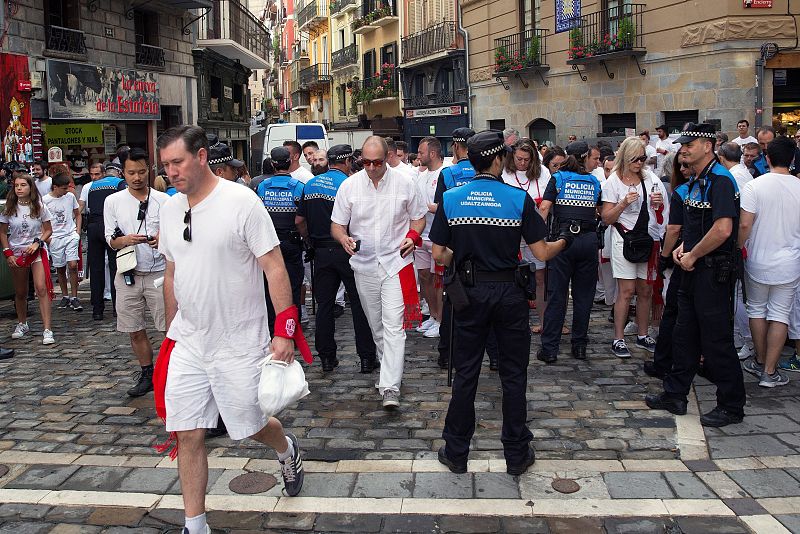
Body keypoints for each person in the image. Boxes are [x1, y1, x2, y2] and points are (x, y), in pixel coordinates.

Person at [157, 126, 306, 534]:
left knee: (251, 426)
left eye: (178, 162)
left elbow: (274, 266)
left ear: (201, 157)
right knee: (187, 433)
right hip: (189, 340)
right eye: (166, 164)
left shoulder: (242, 202)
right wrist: (171, 327)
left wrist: (284, 330)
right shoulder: (169, 209)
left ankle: (286, 447)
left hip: (239, 340)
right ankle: (195, 524)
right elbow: (172, 271)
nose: (171, 172)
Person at [430, 129, 570, 476]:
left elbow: (438, 253)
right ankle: (517, 454)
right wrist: (565, 240)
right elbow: (541, 252)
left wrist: (463, 257)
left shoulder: (452, 198)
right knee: (513, 373)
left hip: (470, 293)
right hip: (509, 293)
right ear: (497, 159)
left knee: (466, 373)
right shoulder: (516, 198)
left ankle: (457, 451)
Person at [646, 123, 746, 428]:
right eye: (683, 144)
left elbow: (723, 230)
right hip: (694, 267)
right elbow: (699, 226)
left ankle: (731, 404)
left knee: (716, 340)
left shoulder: (720, 181)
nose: (684, 149)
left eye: (690, 144)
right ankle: (675, 393)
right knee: (684, 333)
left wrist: (692, 253)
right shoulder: (699, 181)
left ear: (708, 146)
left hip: (712, 271)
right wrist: (682, 250)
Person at [331, 136, 427, 409]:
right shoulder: (349, 186)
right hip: (363, 265)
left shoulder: (406, 183)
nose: (372, 167)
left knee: (394, 326)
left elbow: (418, 217)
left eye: (377, 162)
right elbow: (337, 225)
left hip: (396, 264)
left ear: (388, 157)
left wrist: (412, 235)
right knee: (377, 326)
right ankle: (390, 372)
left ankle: (390, 386)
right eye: (366, 162)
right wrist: (343, 239)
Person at [295, 144, 377, 372]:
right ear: (348, 161)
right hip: (347, 249)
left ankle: (327, 358)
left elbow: (299, 221)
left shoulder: (310, 185)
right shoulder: (349, 184)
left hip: (321, 251)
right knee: (359, 305)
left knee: (324, 306)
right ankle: (367, 358)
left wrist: (310, 241)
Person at [104, 148, 169, 398]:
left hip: (159, 273)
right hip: (128, 271)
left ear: (149, 170)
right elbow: (109, 238)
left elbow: (175, 234)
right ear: (124, 173)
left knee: (168, 327)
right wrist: (126, 240)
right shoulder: (114, 201)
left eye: (141, 172)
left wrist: (160, 240)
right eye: (131, 173)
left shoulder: (164, 201)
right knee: (134, 328)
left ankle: (171, 373)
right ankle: (146, 373)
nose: (137, 177)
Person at [738, 136, 800, 388]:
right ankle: (770, 371)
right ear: (793, 159)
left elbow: (744, 224)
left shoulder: (755, 186)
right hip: (789, 261)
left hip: (758, 259)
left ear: (767, 158)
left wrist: (738, 246)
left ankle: (761, 360)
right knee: (780, 314)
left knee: (757, 309)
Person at [601, 137, 668, 358]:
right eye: (635, 159)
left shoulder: (650, 179)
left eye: (643, 158)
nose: (640, 163)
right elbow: (607, 218)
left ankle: (642, 333)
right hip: (624, 240)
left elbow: (661, 211)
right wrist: (623, 203)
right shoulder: (613, 182)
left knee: (646, 290)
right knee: (627, 291)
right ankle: (618, 338)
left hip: (647, 239)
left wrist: (657, 204)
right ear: (625, 157)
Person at [537, 140, 603, 362]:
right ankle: (579, 345)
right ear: (585, 158)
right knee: (584, 297)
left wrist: (536, 236)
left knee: (557, 295)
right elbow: (599, 211)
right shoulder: (594, 181)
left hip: (563, 241)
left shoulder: (558, 178)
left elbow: (545, 208)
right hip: (588, 240)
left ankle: (550, 349)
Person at [433, 127, 483, 370]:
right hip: (485, 239)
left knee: (453, 298)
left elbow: (441, 208)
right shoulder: (485, 169)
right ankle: (493, 355)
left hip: (456, 240)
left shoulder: (449, 173)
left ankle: (447, 353)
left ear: (455, 146)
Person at [644, 154, 692, 378]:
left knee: (676, 310)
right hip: (683, 255)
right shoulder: (684, 190)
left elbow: (672, 228)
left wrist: (663, 257)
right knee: (673, 308)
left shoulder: (688, 191)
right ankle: (665, 361)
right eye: (680, 166)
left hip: (685, 256)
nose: (683, 169)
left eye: (687, 165)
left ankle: (669, 362)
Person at [501, 139, 551, 334]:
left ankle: (544, 321)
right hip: (511, 232)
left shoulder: (543, 173)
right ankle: (513, 322)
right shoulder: (505, 173)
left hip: (535, 232)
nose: (522, 163)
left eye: (526, 160)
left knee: (539, 277)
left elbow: (548, 200)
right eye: (519, 159)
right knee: (512, 277)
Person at [0, 173, 55, 344]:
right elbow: (2, 232)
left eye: (23, 185)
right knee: (21, 292)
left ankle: (47, 329)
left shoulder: (39, 207)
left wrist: (38, 242)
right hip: (17, 252)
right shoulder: (9, 208)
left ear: (30, 187)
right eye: (16, 185)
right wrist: (7, 252)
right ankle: (22, 323)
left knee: (41, 288)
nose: (19, 188)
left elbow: (48, 230)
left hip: (36, 251)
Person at [256, 147, 305, 329]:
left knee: (270, 287)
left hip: (268, 244)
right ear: (290, 162)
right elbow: (302, 219)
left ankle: (272, 328)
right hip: (292, 242)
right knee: (292, 288)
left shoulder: (262, 187)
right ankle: (291, 329)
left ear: (273, 164)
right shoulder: (299, 187)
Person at [414, 136, 446, 340]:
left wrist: (426, 206)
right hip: (421, 234)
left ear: (432, 153)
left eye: (421, 153)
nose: (418, 157)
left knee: (438, 280)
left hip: (438, 236)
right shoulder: (420, 175)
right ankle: (433, 316)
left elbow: (444, 206)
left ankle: (442, 320)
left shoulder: (444, 173)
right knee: (424, 275)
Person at [87, 161, 126, 320]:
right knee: (115, 268)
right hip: (110, 227)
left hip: (93, 227)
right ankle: (117, 309)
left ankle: (97, 310)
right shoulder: (119, 184)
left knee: (96, 270)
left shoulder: (92, 186)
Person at [42, 173, 82, 311]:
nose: (66, 191)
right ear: (55, 187)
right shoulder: (45, 200)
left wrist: (77, 232)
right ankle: (65, 296)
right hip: (55, 237)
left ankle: (74, 296)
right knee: (60, 267)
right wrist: (48, 238)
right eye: (64, 188)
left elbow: (77, 214)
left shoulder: (70, 197)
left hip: (70, 234)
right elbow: (42, 220)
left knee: (72, 264)